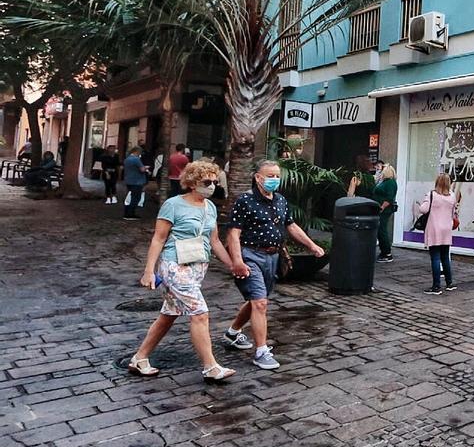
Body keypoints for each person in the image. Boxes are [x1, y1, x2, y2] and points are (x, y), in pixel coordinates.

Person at [127, 161, 249, 383]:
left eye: (214, 181)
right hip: (175, 266)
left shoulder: (209, 207)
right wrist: (148, 270)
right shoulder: (173, 205)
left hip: (197, 266)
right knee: (200, 313)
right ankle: (210, 366)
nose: (212, 185)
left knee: (169, 314)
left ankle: (140, 357)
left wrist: (232, 264)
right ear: (192, 182)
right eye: (207, 182)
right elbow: (159, 238)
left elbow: (214, 241)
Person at [222, 160, 326, 370]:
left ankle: (232, 333)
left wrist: (312, 245)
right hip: (250, 254)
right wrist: (237, 261)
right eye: (269, 176)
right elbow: (234, 233)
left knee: (257, 300)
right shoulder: (245, 201)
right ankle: (261, 351)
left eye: (277, 176)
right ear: (258, 177)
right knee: (260, 303)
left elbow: (291, 225)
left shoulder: (280, 200)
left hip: (272, 257)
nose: (274, 180)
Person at [418, 173, 459, 294]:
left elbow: (423, 209)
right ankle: (449, 283)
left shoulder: (432, 195)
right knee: (445, 256)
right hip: (446, 228)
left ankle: (436, 286)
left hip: (434, 229)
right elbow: (453, 213)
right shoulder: (452, 196)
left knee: (435, 257)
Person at [373, 164, 399, 262]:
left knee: (382, 230)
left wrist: (382, 207)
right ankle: (384, 251)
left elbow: (389, 197)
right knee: (380, 230)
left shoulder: (390, 183)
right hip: (381, 209)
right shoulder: (385, 182)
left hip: (384, 210)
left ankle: (387, 253)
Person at [122, 147, 150, 219]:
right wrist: (146, 167)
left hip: (129, 180)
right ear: (137, 152)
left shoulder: (127, 159)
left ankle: (127, 212)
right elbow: (142, 169)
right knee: (136, 198)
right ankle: (130, 214)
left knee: (130, 197)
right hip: (137, 181)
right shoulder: (136, 159)